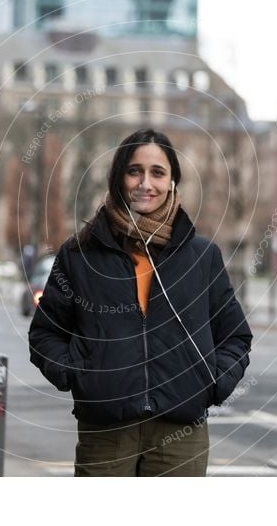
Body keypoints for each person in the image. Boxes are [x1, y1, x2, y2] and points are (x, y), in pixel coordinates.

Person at [28, 128, 252, 477]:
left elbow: (235, 337)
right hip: (106, 432)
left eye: (157, 173)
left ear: (173, 182)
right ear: (119, 178)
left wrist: (211, 384)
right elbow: (45, 335)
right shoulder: (79, 255)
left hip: (181, 433)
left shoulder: (202, 257)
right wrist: (81, 377)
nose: (145, 182)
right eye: (135, 171)